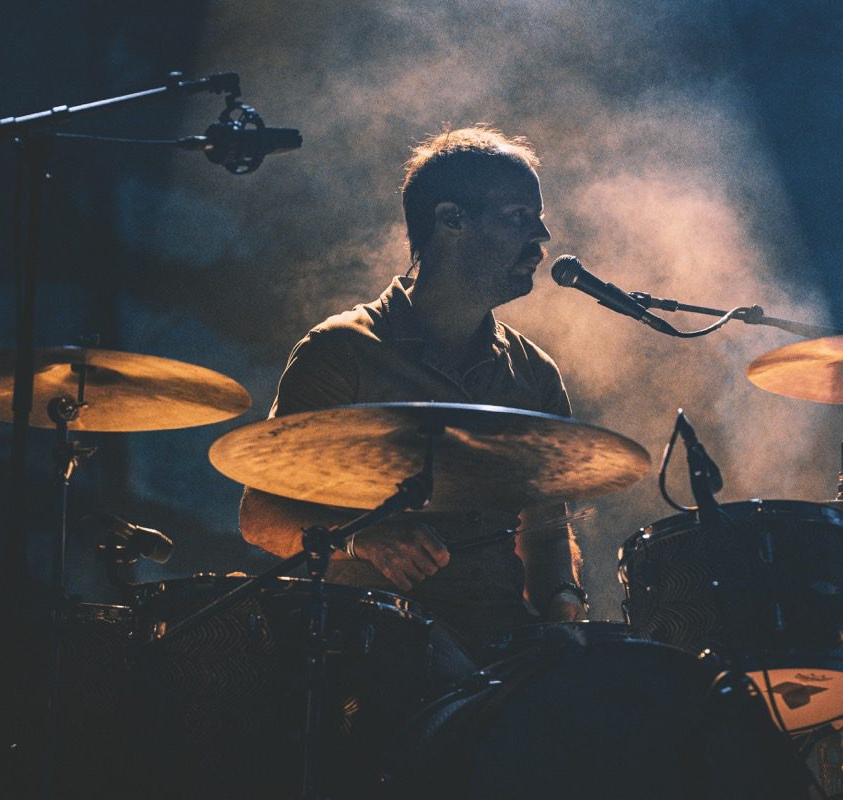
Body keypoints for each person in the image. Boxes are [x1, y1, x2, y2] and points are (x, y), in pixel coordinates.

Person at [239, 126, 586, 668]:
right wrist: (367, 539)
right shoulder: (341, 352)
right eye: (518, 216)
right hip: (372, 649)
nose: (541, 235)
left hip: (502, 648)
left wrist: (563, 606)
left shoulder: (534, 376)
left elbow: (544, 532)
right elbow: (260, 515)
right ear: (451, 220)